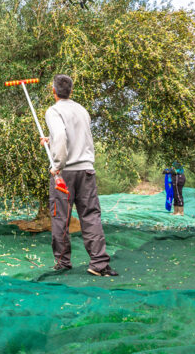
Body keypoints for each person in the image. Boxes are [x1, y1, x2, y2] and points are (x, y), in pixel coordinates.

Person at [40, 74, 117, 276]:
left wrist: (57, 165)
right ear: (71, 91)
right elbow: (76, 137)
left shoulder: (53, 111)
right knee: (91, 216)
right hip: (86, 170)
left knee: (60, 217)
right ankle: (99, 264)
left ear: (53, 91)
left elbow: (62, 136)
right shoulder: (82, 110)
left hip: (65, 173)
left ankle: (63, 262)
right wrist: (51, 139)